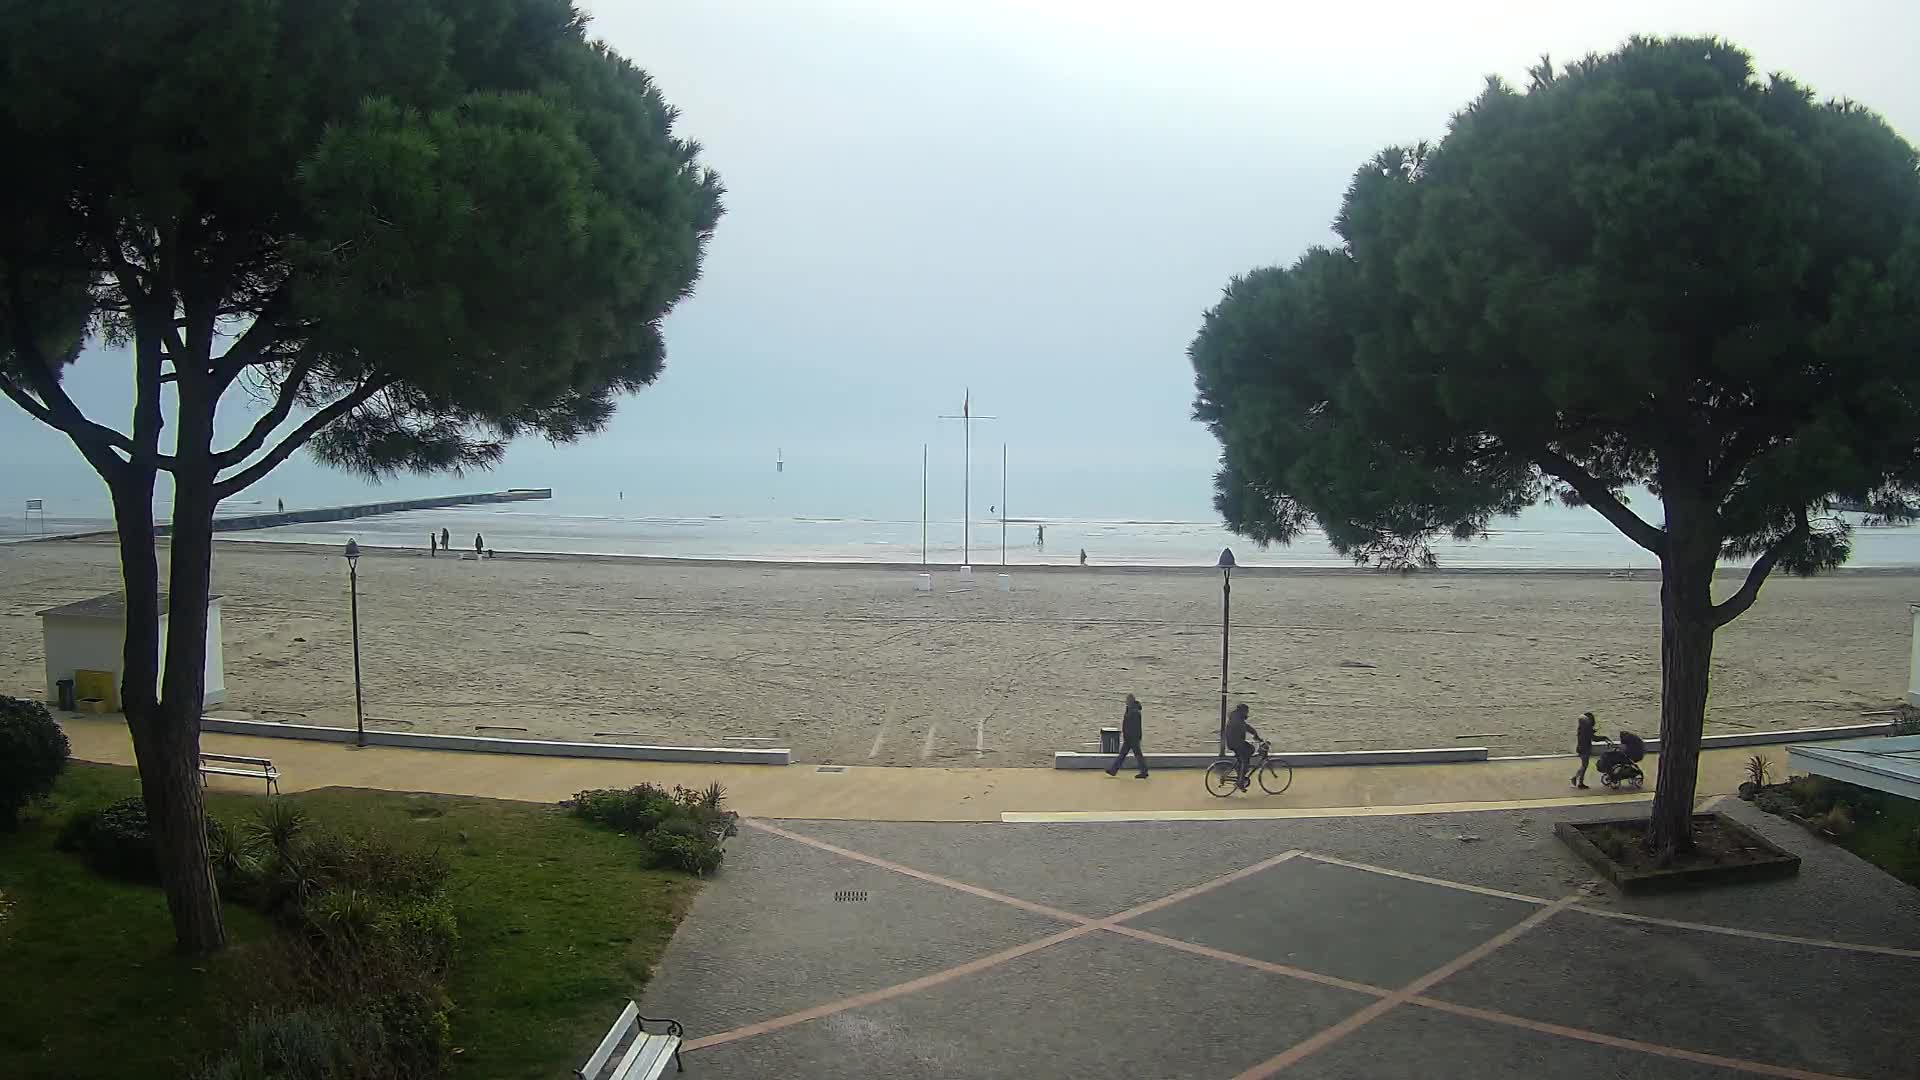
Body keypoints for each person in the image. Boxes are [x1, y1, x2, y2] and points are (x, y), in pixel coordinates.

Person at [1106, 693, 1150, 778]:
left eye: (1127, 700)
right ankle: (1114, 770)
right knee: (1127, 754)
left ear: (1130, 701)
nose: (1125, 702)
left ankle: (1144, 771)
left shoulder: (1134, 712)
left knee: (1134, 755)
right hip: (1130, 737)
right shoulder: (1131, 710)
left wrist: (1130, 736)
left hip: (1132, 737)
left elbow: (1133, 726)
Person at [1224, 703, 1261, 791]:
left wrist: (1255, 734)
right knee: (1248, 752)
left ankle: (1240, 770)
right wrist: (1256, 735)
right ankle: (1240, 781)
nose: (1247, 714)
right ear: (1243, 711)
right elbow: (1245, 727)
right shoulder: (1237, 720)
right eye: (1246, 712)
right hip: (1236, 743)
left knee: (1247, 753)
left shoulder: (1235, 717)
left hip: (1234, 742)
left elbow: (1246, 727)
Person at [1570, 711, 1597, 789]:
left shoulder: (1581, 727)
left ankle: (1578, 781)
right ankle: (1577, 780)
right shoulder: (1588, 728)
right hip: (1585, 749)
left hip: (1580, 748)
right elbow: (1594, 738)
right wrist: (1604, 738)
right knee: (1584, 766)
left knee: (1584, 766)